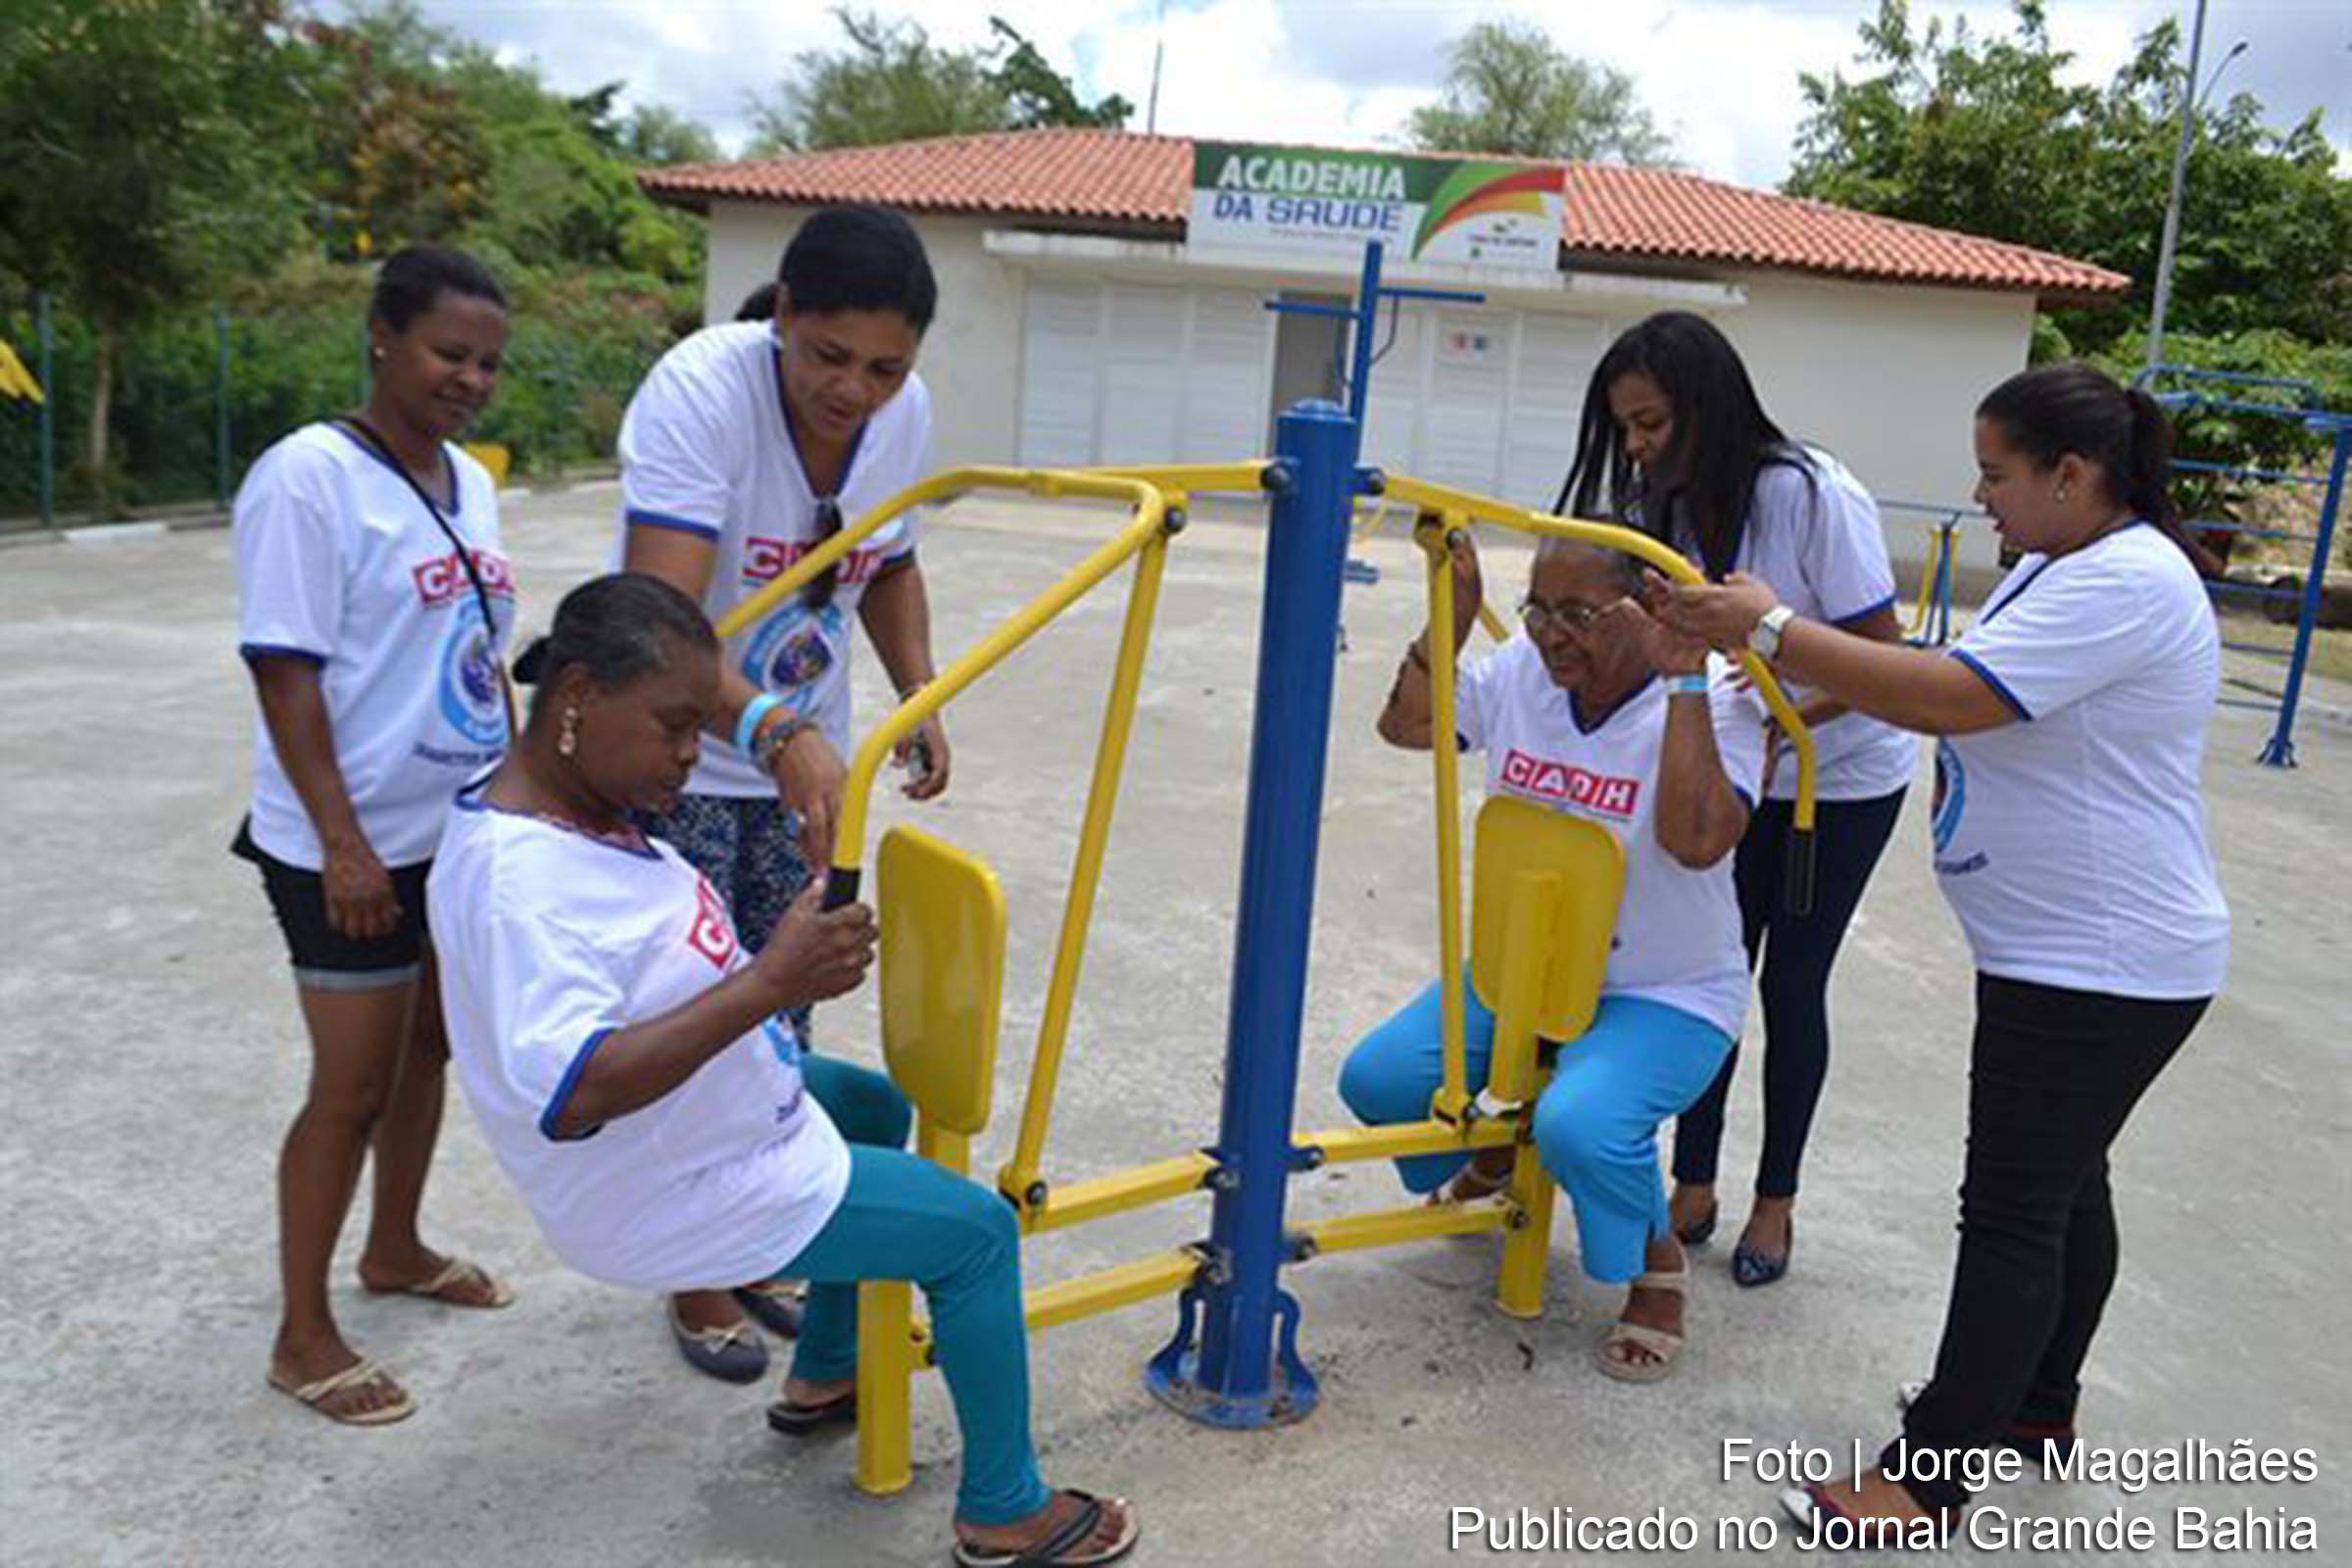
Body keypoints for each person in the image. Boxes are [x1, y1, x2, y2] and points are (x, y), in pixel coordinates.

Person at [428, 574, 1140, 1568]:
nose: (692, 753)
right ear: (579, 694)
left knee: (871, 1103)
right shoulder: (524, 888)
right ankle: (1003, 1510)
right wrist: (773, 981)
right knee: (975, 1235)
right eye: (675, 726)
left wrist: (790, 944)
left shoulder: (574, 804)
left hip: (707, 1122)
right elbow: (574, 1092)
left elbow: (649, 968)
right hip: (662, 1186)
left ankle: (828, 1369)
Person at [1658, 363, 2228, 1535]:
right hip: (2075, 952)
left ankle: (1927, 1475)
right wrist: (1784, 664)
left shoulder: (2124, 579)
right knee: (2067, 1191)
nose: (1983, 500)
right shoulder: (2059, 564)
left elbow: (1951, 696)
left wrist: (1770, 624)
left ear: (2073, 477)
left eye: (1998, 474)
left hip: (2096, 960)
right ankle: (2036, 1403)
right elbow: (1929, 684)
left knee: (2015, 1212)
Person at [615, 203, 950, 1379]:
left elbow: (890, 564)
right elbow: (658, 623)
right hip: (682, 761)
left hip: (806, 777)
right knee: (697, 1007)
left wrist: (921, 692)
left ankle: (752, 1232)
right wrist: (770, 727)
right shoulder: (701, 393)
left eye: (884, 367)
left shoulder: (904, 419)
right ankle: (692, 1268)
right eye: (827, 355)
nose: (853, 389)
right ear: (784, 317)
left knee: (783, 1019)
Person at [1337, 533, 1767, 1383]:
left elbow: (1697, 841)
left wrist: (1683, 676)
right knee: (1378, 1079)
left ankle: (1655, 1263)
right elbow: (1405, 726)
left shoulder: (1721, 698)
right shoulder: (1521, 674)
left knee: (1585, 1124)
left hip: (1662, 988)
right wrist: (1448, 626)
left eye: (1579, 614)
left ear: (1648, 610)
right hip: (1522, 966)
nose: (1551, 634)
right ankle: (1496, 1152)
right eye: (1539, 609)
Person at [1556, 312, 1915, 1288]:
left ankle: (1775, 1201)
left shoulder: (1808, 493)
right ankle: (1695, 1180)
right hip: (1727, 766)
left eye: (1652, 423)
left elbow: (1886, 657)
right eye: (1624, 427)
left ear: (1707, 408)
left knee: (1790, 985)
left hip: (1832, 782)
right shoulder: (1663, 504)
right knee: (1698, 973)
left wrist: (1782, 702)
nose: (1636, 446)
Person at [231, 245, 518, 1425]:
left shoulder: (471, 482)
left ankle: (394, 1247)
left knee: (428, 1053)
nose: (469, 379)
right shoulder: (309, 478)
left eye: (489, 363)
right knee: (347, 1087)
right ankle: (302, 1335)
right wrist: (344, 843)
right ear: (384, 336)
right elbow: (286, 670)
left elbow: (472, 655)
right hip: (340, 845)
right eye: (451, 353)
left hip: (445, 830)